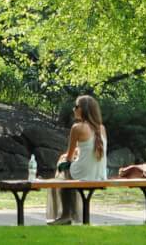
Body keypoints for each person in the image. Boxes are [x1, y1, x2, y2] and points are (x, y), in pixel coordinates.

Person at [46, 94, 108, 225]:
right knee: (68, 171)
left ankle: (65, 214)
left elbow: (68, 157)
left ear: (83, 109)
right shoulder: (101, 128)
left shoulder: (77, 128)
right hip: (100, 175)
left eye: (76, 106)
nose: (73, 109)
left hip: (83, 174)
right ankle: (71, 213)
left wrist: (65, 159)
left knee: (62, 167)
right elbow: (88, 150)